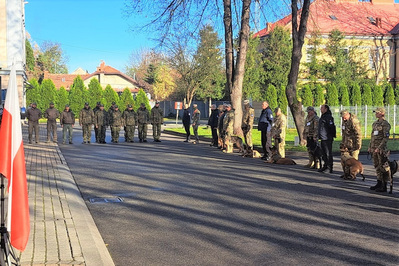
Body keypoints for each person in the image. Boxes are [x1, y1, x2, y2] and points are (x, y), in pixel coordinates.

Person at [368, 107, 391, 192]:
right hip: (374, 148)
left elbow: (385, 137)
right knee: (376, 165)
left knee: (383, 166)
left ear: (382, 113)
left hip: (381, 149)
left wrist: (379, 148)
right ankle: (379, 182)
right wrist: (370, 146)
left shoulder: (385, 124)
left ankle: (384, 185)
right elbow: (372, 136)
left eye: (377, 112)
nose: (376, 114)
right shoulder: (375, 124)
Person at [318, 104, 336, 173]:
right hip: (323, 138)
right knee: (324, 153)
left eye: (322, 108)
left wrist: (329, 135)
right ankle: (325, 166)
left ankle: (329, 167)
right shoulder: (323, 117)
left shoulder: (328, 117)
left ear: (326, 109)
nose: (321, 109)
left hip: (327, 138)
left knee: (328, 153)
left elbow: (331, 127)